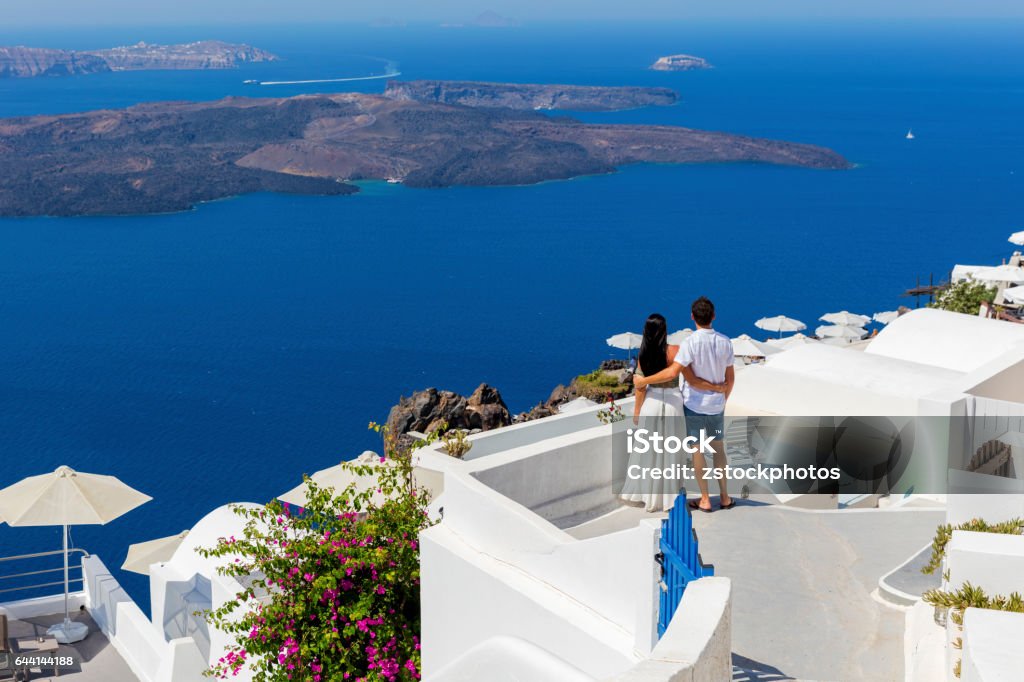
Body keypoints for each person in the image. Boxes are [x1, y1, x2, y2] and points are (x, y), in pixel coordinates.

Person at [633, 297, 735, 512]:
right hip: (716, 406)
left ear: (692, 316)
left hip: (694, 406)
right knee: (718, 449)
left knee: (697, 450)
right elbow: (730, 379)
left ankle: (705, 499)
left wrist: (643, 381)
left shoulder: (689, 343)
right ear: (713, 316)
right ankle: (725, 497)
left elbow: (681, 375)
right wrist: (720, 395)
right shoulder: (726, 341)